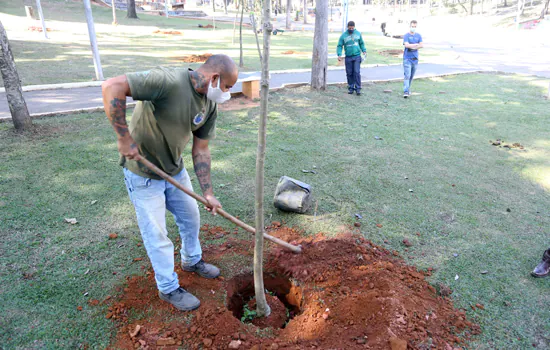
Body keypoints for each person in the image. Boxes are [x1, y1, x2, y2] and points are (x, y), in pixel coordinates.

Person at [101, 54, 239, 311]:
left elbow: (201, 150)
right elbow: (112, 86)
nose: (228, 94)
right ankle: (168, 287)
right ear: (215, 78)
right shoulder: (168, 80)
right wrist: (123, 137)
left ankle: (191, 260)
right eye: (228, 87)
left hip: (175, 171)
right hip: (143, 174)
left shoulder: (209, 105)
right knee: (157, 234)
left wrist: (208, 193)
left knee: (191, 218)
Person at [337, 21, 367, 96]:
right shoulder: (343, 35)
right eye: (350, 28)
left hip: (357, 56)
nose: (351, 29)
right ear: (348, 27)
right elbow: (340, 45)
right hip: (348, 57)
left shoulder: (358, 33)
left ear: (354, 27)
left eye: (352, 28)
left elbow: (361, 43)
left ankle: (358, 88)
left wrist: (364, 50)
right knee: (349, 73)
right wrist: (339, 54)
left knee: (356, 72)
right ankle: (350, 87)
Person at [402, 20, 423, 98]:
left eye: (414, 27)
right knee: (407, 75)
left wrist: (413, 46)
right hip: (407, 58)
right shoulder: (406, 36)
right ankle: (406, 91)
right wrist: (416, 45)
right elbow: (406, 45)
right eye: (412, 26)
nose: (413, 28)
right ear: (409, 26)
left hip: (415, 58)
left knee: (411, 76)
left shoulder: (419, 36)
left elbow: (421, 45)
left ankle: (408, 89)